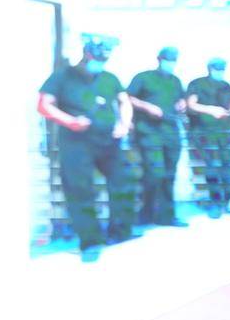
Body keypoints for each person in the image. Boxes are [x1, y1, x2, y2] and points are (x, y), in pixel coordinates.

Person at [37, 36, 135, 262]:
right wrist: (69, 121)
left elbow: (124, 101)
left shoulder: (109, 78)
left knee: (123, 183)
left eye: (104, 59)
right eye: (97, 58)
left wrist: (124, 123)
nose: (100, 63)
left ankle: (120, 233)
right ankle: (90, 241)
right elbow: (43, 104)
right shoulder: (62, 76)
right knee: (80, 190)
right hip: (76, 141)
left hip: (109, 141)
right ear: (86, 54)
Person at [127, 47, 188, 227]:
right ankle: (145, 214)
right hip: (149, 132)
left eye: (174, 60)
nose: (171, 63)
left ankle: (167, 216)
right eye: (168, 59)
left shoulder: (175, 81)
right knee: (154, 173)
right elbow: (127, 98)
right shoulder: (143, 77)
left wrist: (182, 103)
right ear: (159, 59)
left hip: (171, 133)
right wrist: (147, 107)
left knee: (169, 175)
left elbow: (181, 98)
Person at [186, 58, 230, 218]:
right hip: (203, 132)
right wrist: (211, 110)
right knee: (212, 166)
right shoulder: (197, 83)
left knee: (227, 165)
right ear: (210, 68)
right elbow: (191, 104)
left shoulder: (226, 85)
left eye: (222, 69)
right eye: (217, 69)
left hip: (223, 132)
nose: (219, 72)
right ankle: (215, 202)